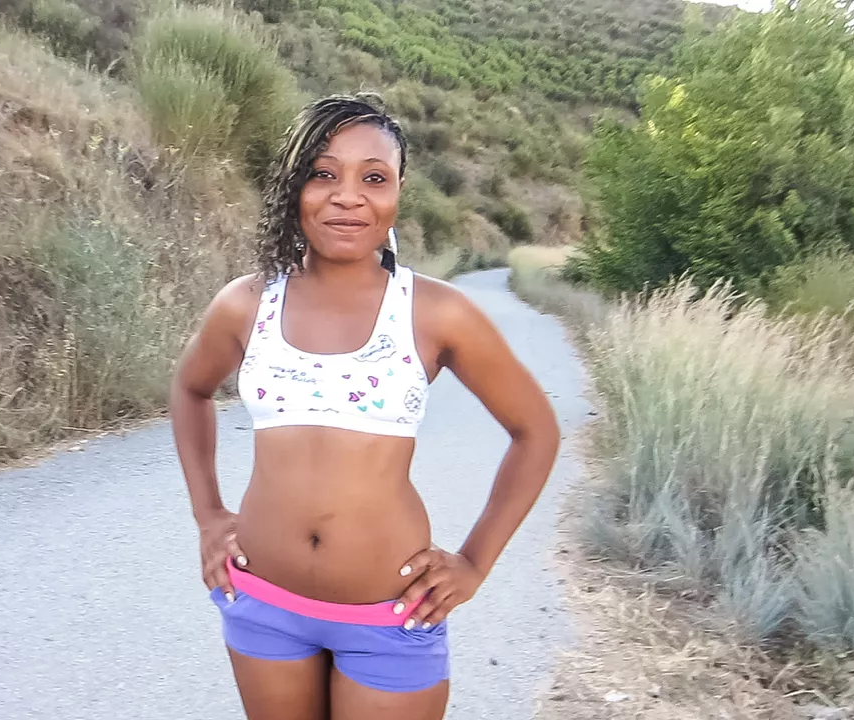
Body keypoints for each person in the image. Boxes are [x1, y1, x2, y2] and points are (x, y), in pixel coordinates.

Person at [169, 93, 561, 720]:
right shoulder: (247, 303)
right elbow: (190, 390)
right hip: (263, 605)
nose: (347, 196)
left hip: (389, 616)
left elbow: (535, 430)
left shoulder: (435, 312)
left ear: (398, 191)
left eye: (373, 178)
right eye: (323, 174)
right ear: (293, 188)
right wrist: (208, 515)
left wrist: (473, 562)